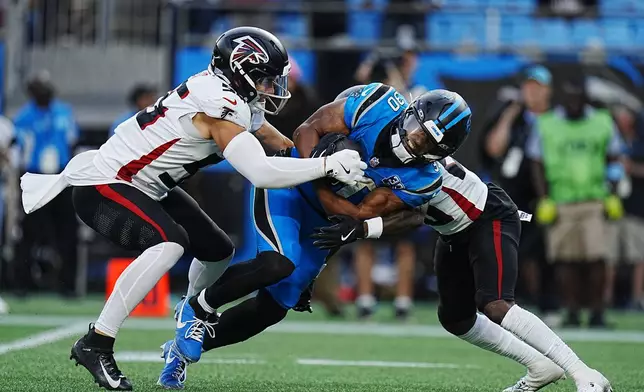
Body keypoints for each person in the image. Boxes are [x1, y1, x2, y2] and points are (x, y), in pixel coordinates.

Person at [19, 27, 367, 391]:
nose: (270, 88)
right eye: (264, 78)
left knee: (217, 251)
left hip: (147, 184)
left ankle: (190, 314)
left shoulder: (236, 97)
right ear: (239, 70)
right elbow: (261, 172)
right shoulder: (220, 104)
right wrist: (328, 166)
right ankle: (97, 341)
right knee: (169, 243)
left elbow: (279, 147)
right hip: (105, 183)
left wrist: (322, 162)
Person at [157, 86, 454, 389]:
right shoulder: (378, 104)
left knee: (275, 306)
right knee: (278, 264)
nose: (413, 136)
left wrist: (341, 206)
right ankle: (197, 307)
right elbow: (307, 129)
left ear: (439, 152)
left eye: (426, 139)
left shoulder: (424, 178)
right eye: (417, 125)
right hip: (289, 183)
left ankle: (180, 352)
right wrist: (321, 166)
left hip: (326, 215)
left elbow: (359, 213)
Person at [311, 110, 613, 390]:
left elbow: (414, 215)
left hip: (487, 217)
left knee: (495, 304)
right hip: (452, 230)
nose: (413, 137)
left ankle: (584, 374)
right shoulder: (378, 146)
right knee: (456, 318)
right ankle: (539, 366)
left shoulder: (414, 166)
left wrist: (363, 228)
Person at [527, 76, 625, 328]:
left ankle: (597, 311)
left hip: (594, 198)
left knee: (596, 257)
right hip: (560, 200)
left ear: (585, 99)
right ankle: (571, 310)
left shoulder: (602, 121)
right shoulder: (547, 124)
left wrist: (613, 191)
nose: (573, 103)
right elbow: (536, 161)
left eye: (577, 98)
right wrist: (544, 197)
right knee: (565, 259)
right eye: (569, 98)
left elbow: (613, 157)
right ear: (562, 98)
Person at [480, 65, 557, 322]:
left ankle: (550, 303)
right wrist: (509, 114)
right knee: (516, 250)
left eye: (538, 87)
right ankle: (520, 302)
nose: (532, 92)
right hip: (516, 196)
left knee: (549, 251)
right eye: (528, 86)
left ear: (548, 90)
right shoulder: (516, 118)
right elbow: (493, 149)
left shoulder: (556, 120)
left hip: (549, 193)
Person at [12, 71, 80, 298]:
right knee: (28, 233)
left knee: (68, 232)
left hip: (60, 176)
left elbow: (72, 142)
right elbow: (21, 150)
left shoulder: (64, 112)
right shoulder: (23, 117)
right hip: (36, 176)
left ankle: (67, 284)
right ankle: (22, 282)